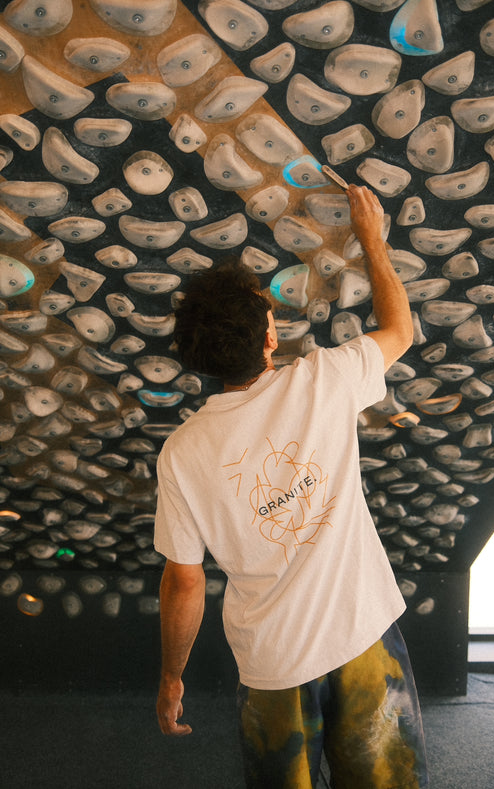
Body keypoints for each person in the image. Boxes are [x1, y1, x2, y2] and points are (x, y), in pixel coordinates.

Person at [154, 185, 428, 788]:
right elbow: (400, 328)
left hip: (273, 667)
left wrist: (172, 676)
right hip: (365, 638)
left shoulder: (181, 453)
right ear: (269, 339)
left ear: (197, 357)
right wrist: (372, 241)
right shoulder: (325, 379)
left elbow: (184, 580)